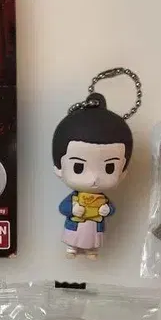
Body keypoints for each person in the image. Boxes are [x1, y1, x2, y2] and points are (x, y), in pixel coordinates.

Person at [52, 94, 133, 259]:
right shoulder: (74, 198)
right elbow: (63, 207)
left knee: (94, 239)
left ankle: (92, 250)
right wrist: (73, 209)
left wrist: (106, 209)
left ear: (123, 172)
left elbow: (111, 209)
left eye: (109, 168)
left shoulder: (102, 199)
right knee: (74, 237)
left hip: (95, 226)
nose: (94, 178)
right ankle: (72, 248)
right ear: (59, 168)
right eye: (79, 167)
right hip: (76, 225)